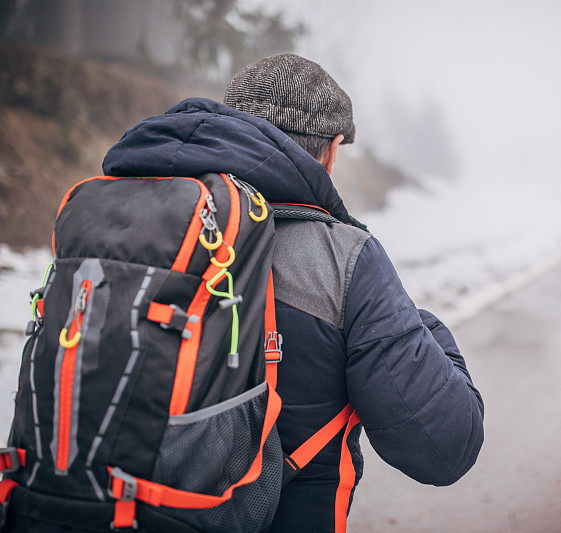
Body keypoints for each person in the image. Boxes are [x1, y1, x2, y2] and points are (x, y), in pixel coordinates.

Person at [105, 52, 485, 532]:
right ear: (331, 149)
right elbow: (445, 448)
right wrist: (417, 320)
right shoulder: (343, 260)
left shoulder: (127, 222)